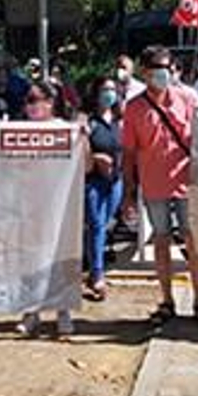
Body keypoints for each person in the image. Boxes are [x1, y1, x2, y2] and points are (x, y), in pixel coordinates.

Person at [121, 46, 198, 327]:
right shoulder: (134, 108)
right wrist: (128, 192)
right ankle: (167, 300)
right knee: (161, 241)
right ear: (145, 72)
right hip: (154, 184)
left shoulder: (188, 98)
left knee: (194, 241)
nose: (163, 73)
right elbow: (129, 153)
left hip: (187, 182)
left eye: (167, 67)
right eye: (157, 68)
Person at [17, 82, 76, 337]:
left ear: (50, 102)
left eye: (35, 99)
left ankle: (63, 310)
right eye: (28, 100)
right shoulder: (18, 130)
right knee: (30, 260)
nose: (30, 105)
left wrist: (83, 138)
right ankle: (31, 312)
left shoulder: (65, 129)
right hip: (29, 205)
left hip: (59, 205)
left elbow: (83, 167)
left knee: (60, 257)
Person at [82, 76, 123, 302]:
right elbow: (80, 149)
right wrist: (96, 158)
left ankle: (93, 267)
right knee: (96, 225)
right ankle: (97, 274)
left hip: (116, 181)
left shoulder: (120, 119)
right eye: (105, 89)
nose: (109, 94)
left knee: (103, 225)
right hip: (93, 181)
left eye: (112, 89)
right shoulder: (88, 121)